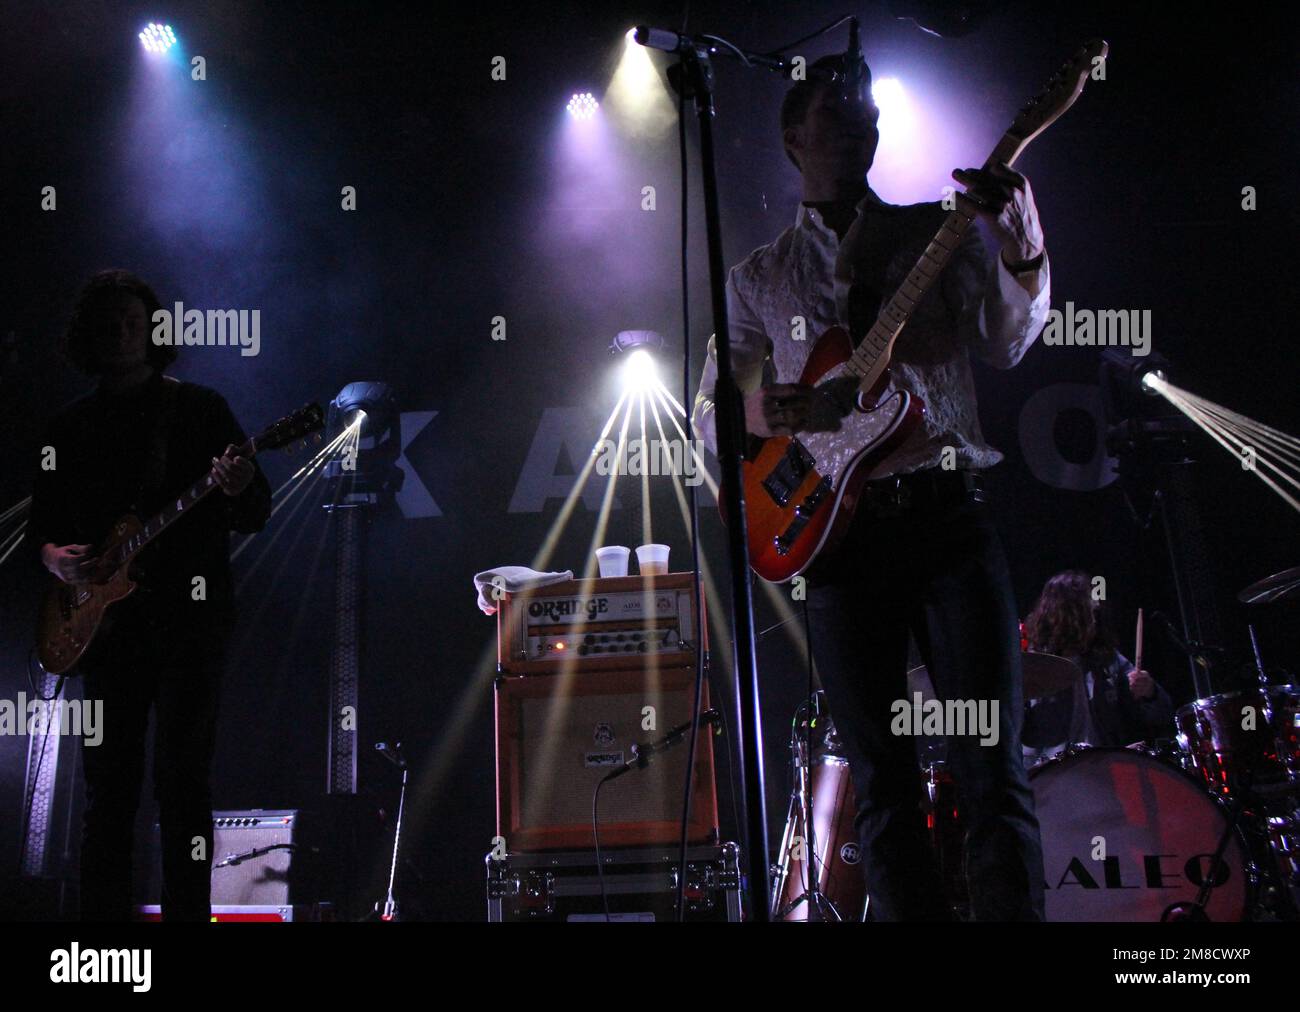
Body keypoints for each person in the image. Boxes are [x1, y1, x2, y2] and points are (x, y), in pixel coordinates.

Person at [693, 53, 1051, 920]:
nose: (855, 120)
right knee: (882, 787)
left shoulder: (938, 231)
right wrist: (760, 417)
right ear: (792, 137)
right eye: (832, 110)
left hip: (945, 513)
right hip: (840, 542)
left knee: (993, 770)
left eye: (864, 112)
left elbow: (1007, 342)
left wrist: (1023, 245)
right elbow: (711, 418)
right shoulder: (757, 279)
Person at [28, 269, 271, 921]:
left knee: (183, 785)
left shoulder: (199, 410)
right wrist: (59, 560)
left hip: (188, 625)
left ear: (154, 331)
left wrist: (238, 481)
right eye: (109, 325)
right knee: (108, 790)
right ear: (89, 337)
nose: (122, 335)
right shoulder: (69, 427)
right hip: (107, 634)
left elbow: (255, 512)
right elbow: (42, 528)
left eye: (134, 323)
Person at [1021, 570, 1176, 758]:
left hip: (1105, 768)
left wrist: (1150, 692)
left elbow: (1162, 717)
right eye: (1088, 612)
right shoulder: (1033, 664)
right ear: (1066, 614)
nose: (1095, 619)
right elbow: (1014, 733)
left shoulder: (1108, 660)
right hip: (1051, 773)